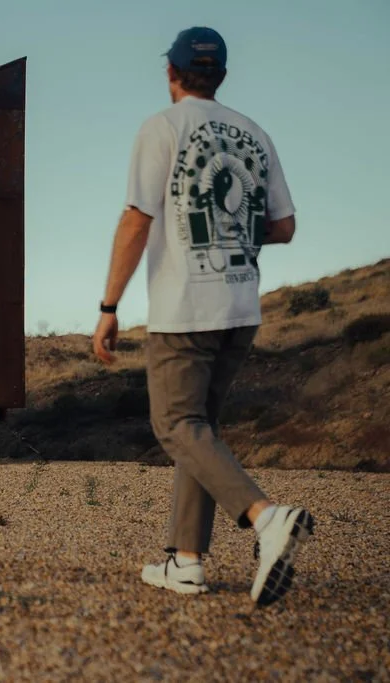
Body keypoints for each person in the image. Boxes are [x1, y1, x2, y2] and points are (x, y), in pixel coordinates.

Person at [90, 26, 315, 607]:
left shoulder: (162, 127)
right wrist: (233, 227)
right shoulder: (254, 133)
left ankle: (267, 518)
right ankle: (185, 562)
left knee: (176, 427)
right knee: (200, 433)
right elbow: (285, 226)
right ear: (221, 76)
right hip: (240, 307)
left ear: (172, 73)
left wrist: (109, 306)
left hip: (184, 306)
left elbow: (137, 219)